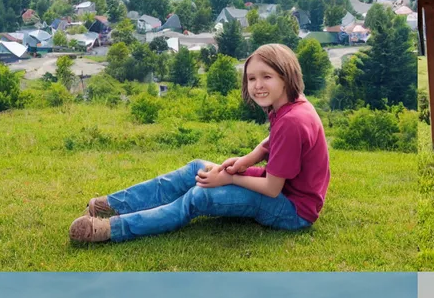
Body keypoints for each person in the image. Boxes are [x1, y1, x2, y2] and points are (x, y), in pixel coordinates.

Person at [71, 43, 330, 243]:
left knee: (199, 196)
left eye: (267, 77)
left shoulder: (292, 121)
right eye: (251, 78)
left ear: (286, 77)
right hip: (284, 191)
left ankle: (113, 228)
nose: (258, 85)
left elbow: (273, 188)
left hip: (294, 210)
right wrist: (247, 160)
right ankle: (113, 205)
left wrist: (229, 178)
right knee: (198, 168)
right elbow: (272, 142)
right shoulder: (292, 103)